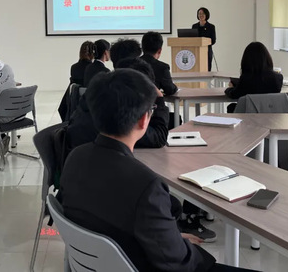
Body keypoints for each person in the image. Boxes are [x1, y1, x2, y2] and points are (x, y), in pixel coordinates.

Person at [59, 69, 254, 272]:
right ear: (144, 119)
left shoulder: (75, 158)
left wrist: (169, 238)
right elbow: (179, 262)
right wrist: (181, 246)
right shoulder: (145, 185)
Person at [225, 42, 283, 112]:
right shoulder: (278, 78)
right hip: (271, 114)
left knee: (231, 107)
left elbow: (234, 95)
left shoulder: (246, 79)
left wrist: (230, 88)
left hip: (249, 113)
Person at [141, 31, 178, 95]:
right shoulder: (162, 67)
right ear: (159, 50)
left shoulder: (131, 63)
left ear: (142, 48)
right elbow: (170, 90)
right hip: (152, 101)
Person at [191, 7, 216, 71]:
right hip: (196, 51)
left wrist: (204, 41)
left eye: (203, 14)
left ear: (206, 15)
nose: (201, 15)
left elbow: (213, 40)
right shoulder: (194, 26)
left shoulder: (211, 27)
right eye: (199, 14)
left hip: (207, 51)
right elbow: (192, 38)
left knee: (206, 69)